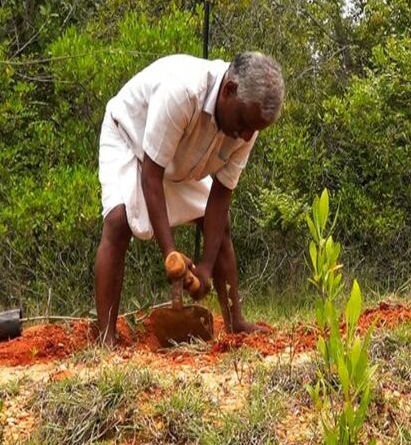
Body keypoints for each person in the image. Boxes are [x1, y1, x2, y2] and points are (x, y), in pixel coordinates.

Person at [94, 52, 285, 345]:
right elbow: (151, 176)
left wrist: (205, 268)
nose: (247, 137)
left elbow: (221, 196)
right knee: (119, 222)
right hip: (130, 139)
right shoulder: (183, 90)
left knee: (221, 226)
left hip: (174, 161)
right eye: (245, 123)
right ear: (229, 90)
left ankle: (235, 321)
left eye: (255, 130)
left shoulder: (248, 124)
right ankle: (105, 337)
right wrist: (170, 252)